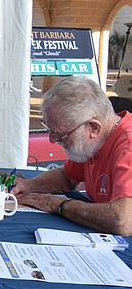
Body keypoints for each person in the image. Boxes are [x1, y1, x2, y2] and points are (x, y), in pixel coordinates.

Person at [11, 76, 132, 236]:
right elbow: (67, 176)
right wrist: (28, 186)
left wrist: (58, 205)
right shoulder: (96, 141)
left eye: (60, 134)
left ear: (94, 127)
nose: (52, 140)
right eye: (50, 130)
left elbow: (122, 221)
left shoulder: (127, 146)